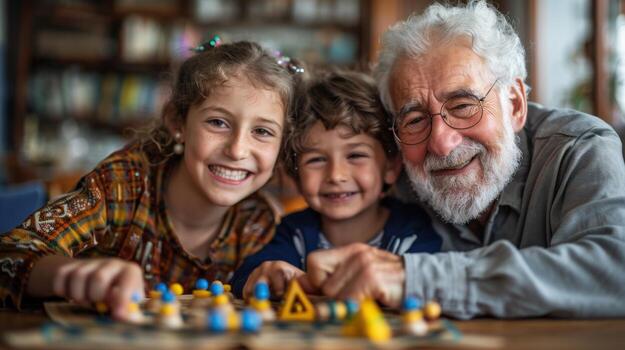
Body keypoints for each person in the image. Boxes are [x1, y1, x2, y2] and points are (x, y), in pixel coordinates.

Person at [301, 1, 625, 319]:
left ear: (514, 104)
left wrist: (413, 278)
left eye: (462, 106)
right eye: (414, 119)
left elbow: (614, 272)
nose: (440, 143)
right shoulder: (396, 173)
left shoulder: (578, 148)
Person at [0, 40, 303, 320]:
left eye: (262, 132)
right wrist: (70, 275)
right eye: (217, 122)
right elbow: (10, 255)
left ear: (281, 147)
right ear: (177, 122)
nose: (237, 150)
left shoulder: (259, 224)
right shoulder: (122, 185)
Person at [230, 70, 441, 299]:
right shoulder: (294, 232)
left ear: (390, 167)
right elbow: (243, 279)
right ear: (296, 175)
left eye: (356, 156)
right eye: (316, 160)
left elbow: (430, 286)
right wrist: (266, 275)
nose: (336, 175)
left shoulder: (413, 230)